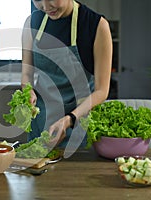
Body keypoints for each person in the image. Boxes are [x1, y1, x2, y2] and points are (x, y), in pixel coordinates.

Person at [21, 0, 112, 148]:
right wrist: (27, 90)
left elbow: (102, 91)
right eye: (37, 0)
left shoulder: (97, 25)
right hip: (42, 120)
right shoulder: (32, 23)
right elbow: (26, 73)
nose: (45, 6)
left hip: (79, 124)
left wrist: (69, 119)